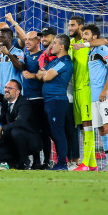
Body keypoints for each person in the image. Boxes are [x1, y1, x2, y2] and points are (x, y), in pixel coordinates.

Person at [68, 16, 108, 171]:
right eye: (69, 25)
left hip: (87, 89)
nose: (70, 28)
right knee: (83, 128)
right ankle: (92, 164)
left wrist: (84, 44)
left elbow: (104, 41)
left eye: (72, 25)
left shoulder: (90, 45)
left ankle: (85, 162)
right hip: (76, 90)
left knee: (88, 125)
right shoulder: (72, 43)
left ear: (81, 27)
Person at [81, 24, 108, 172]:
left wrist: (104, 90)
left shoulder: (101, 49)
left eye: (86, 34)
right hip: (95, 97)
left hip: (106, 96)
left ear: (94, 36)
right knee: (101, 130)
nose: (84, 36)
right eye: (83, 34)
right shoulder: (89, 52)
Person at [36, 34, 74, 171]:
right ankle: (59, 162)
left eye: (55, 43)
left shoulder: (64, 62)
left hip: (57, 101)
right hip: (49, 101)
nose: (52, 45)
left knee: (58, 132)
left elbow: (46, 77)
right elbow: (39, 74)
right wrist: (45, 73)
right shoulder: (54, 62)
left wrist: (45, 73)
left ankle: (62, 163)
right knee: (53, 133)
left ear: (62, 46)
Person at [0, 79, 41, 169]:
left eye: (10, 88)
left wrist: (2, 128)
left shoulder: (23, 104)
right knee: (0, 153)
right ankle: (13, 161)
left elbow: (21, 122)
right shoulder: (6, 101)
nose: (6, 90)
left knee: (15, 132)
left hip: (31, 141)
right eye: (5, 87)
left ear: (17, 92)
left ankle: (24, 161)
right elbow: (0, 96)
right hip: (14, 138)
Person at [21, 30, 52, 169]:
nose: (27, 42)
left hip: (39, 98)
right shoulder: (25, 55)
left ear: (38, 41)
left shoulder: (43, 56)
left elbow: (44, 75)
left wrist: (33, 75)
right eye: (26, 39)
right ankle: (36, 161)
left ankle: (47, 160)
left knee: (43, 131)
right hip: (26, 99)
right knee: (31, 131)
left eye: (30, 39)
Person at [0, 27, 25, 94]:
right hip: (3, 93)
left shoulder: (18, 52)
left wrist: (8, 54)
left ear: (10, 39)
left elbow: (20, 67)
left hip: (15, 93)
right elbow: (0, 74)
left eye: (2, 37)